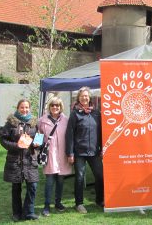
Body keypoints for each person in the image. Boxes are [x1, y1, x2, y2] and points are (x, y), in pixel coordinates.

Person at [66, 86, 104, 214]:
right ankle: (79, 203)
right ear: (78, 98)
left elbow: (101, 132)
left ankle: (99, 200)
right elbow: (70, 134)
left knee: (100, 176)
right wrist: (70, 153)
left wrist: (102, 148)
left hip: (94, 151)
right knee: (80, 177)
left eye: (86, 96)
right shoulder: (74, 114)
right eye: (82, 96)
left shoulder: (96, 113)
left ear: (90, 98)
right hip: (79, 152)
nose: (84, 98)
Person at [0, 99, 39, 221]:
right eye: (22, 107)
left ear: (29, 108)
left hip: (30, 160)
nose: (24, 109)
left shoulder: (34, 123)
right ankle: (17, 213)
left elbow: (38, 137)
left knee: (32, 186)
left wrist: (38, 144)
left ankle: (29, 212)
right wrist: (16, 145)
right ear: (18, 108)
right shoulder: (11, 123)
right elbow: (3, 140)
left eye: (26, 107)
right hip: (15, 160)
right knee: (16, 188)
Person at [38, 97, 72, 216]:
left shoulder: (66, 120)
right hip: (50, 155)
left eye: (57, 105)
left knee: (61, 181)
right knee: (49, 181)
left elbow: (69, 137)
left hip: (62, 155)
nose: (55, 107)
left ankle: (58, 203)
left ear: (60, 107)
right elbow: (39, 135)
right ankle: (47, 205)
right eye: (53, 105)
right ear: (49, 107)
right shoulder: (42, 121)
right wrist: (37, 145)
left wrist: (70, 153)